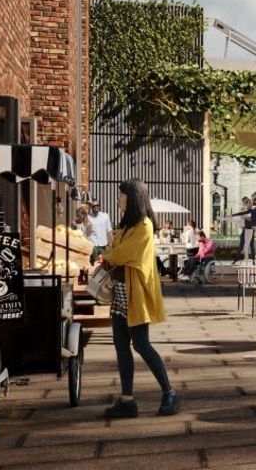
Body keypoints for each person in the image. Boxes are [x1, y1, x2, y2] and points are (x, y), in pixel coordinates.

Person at [95, 179, 177, 418]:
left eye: (121, 196)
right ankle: (127, 399)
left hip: (135, 296)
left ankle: (169, 392)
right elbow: (115, 250)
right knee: (121, 347)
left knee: (141, 344)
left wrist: (107, 254)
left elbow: (123, 253)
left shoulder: (144, 225)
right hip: (120, 295)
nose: (118, 199)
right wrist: (109, 254)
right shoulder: (129, 226)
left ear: (132, 198)